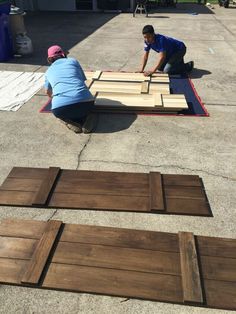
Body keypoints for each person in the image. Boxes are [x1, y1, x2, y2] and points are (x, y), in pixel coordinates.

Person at [44, 45, 96, 134]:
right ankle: (87, 118)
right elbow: (82, 79)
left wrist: (55, 98)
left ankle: (68, 121)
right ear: (63, 55)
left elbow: (47, 91)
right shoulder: (73, 61)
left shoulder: (48, 72)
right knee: (87, 108)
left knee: (59, 112)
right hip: (86, 104)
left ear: (50, 59)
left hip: (61, 109)